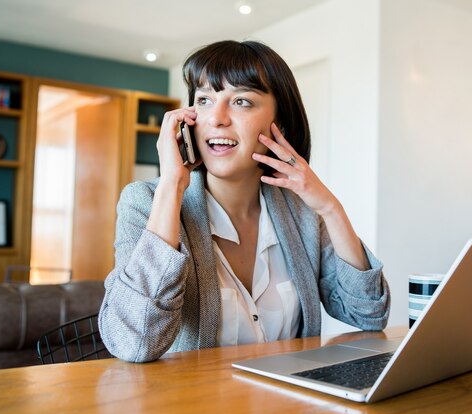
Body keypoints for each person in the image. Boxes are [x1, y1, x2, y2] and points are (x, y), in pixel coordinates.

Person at [98, 40, 390, 362]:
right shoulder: (145, 202)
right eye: (204, 100)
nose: (217, 118)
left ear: (280, 123)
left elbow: (369, 316)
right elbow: (132, 342)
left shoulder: (300, 210)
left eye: (241, 101)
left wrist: (330, 209)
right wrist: (171, 185)